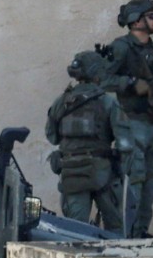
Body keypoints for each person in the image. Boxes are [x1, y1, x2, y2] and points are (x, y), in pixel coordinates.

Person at [104, 0, 153, 238]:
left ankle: (142, 230)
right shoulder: (122, 48)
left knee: (151, 179)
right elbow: (103, 78)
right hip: (132, 121)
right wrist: (132, 84)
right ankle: (128, 231)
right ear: (136, 21)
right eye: (152, 16)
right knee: (133, 179)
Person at [46, 50, 136, 234]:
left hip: (72, 174)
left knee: (75, 232)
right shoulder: (107, 102)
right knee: (115, 230)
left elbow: (52, 136)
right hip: (103, 173)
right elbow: (125, 143)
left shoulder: (61, 102)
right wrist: (122, 168)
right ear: (97, 73)